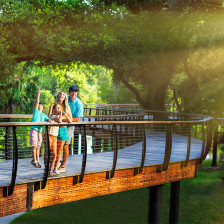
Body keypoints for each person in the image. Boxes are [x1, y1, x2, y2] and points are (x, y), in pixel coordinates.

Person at [57, 85, 83, 173]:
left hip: (70, 125)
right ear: (69, 92)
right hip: (60, 124)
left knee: (65, 145)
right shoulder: (65, 99)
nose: (74, 93)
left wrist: (64, 120)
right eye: (72, 91)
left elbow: (77, 119)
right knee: (57, 143)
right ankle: (56, 162)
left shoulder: (79, 103)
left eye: (75, 92)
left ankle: (63, 165)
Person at [48, 90, 72, 175]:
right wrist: (59, 120)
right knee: (51, 151)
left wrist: (61, 120)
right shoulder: (53, 105)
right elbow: (49, 117)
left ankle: (56, 168)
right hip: (54, 130)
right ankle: (49, 168)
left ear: (65, 97)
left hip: (62, 129)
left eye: (63, 94)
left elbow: (70, 120)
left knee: (59, 150)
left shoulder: (67, 107)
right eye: (60, 94)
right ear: (57, 95)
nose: (61, 95)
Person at [30, 88, 51, 168]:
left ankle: (38, 159)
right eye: (39, 105)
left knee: (38, 146)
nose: (39, 105)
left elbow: (48, 119)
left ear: (43, 108)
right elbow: (37, 102)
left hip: (39, 131)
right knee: (34, 146)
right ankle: (34, 160)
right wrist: (38, 94)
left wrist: (50, 120)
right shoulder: (36, 112)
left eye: (41, 105)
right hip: (34, 130)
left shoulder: (43, 115)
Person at [44, 103, 62, 176]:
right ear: (54, 110)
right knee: (48, 153)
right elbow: (60, 121)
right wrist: (61, 114)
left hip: (54, 136)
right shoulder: (53, 116)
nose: (59, 110)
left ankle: (50, 170)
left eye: (60, 108)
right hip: (48, 135)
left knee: (54, 154)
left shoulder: (57, 117)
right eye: (57, 108)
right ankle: (47, 169)